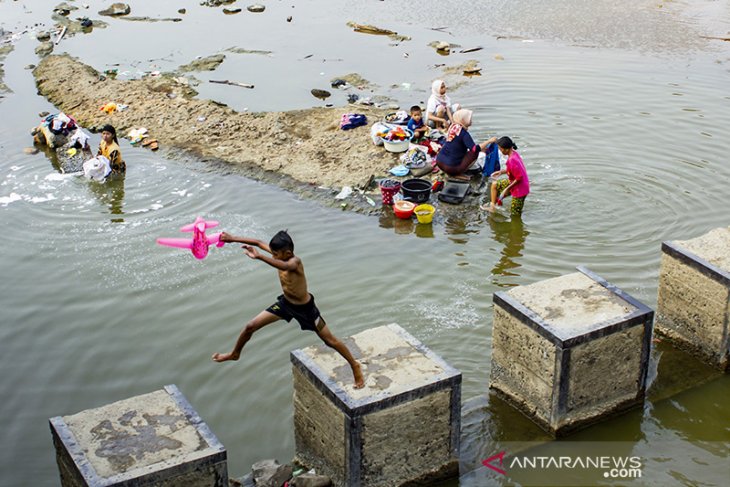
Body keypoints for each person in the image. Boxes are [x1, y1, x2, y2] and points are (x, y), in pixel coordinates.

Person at [212, 230, 365, 389]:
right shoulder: (280, 255)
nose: (273, 256)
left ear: (288, 252)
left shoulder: (294, 261)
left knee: (329, 340)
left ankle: (354, 365)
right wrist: (232, 239)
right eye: (272, 253)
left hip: (306, 309)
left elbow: (284, 265)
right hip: (286, 304)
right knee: (250, 326)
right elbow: (257, 242)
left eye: (275, 254)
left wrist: (259, 257)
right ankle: (235, 353)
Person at [434, 109, 496, 178]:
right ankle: (456, 174)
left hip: (439, 162)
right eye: (469, 119)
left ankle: (451, 171)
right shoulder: (464, 134)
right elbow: (474, 149)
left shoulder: (453, 127)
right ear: (463, 120)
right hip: (450, 168)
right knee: (475, 153)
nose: (471, 120)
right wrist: (489, 141)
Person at [481, 136, 530, 216]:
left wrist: (507, 189)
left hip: (520, 189)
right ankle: (493, 206)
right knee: (495, 185)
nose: (500, 151)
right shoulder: (513, 153)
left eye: (500, 149)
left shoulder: (512, 160)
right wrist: (501, 172)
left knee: (514, 215)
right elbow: (514, 170)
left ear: (506, 149)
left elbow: (519, 178)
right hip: (514, 182)